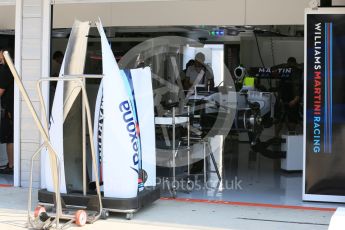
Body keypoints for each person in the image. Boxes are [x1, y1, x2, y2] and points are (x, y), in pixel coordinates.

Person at [273, 57, 303, 136]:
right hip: (283, 97)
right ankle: (276, 136)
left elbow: (298, 87)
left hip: (293, 98)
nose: (291, 67)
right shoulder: (283, 69)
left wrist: (296, 100)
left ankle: (292, 136)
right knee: (279, 119)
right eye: (289, 65)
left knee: (292, 119)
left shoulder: (298, 70)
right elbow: (273, 70)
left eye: (292, 65)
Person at [0, 48, 14, 174]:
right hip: (11, 107)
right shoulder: (12, 68)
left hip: (9, 108)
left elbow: (0, 91)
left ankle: (11, 165)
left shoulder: (5, 70)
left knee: (10, 137)